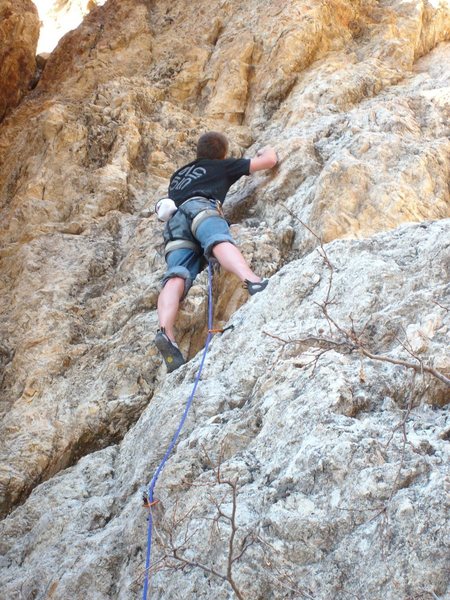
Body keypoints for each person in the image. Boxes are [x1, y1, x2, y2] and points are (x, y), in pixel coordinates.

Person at [155, 131, 278, 372]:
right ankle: (252, 280)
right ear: (222, 154)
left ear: (198, 152)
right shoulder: (221, 166)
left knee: (176, 275)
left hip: (175, 224)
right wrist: (266, 151)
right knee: (217, 240)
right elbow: (269, 161)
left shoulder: (178, 176)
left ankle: (166, 332)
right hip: (202, 208)